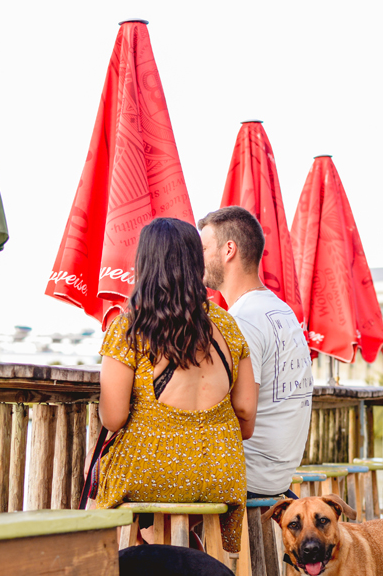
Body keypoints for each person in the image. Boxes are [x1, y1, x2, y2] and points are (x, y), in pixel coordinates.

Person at [95, 217, 258, 553]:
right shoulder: (227, 325)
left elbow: (113, 418)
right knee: (172, 518)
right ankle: (181, 557)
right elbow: (245, 410)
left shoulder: (130, 328)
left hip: (150, 468)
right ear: (196, 264)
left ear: (144, 263)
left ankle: (147, 560)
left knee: (97, 494)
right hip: (220, 469)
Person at [199, 206, 314, 500]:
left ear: (228, 250)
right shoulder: (281, 310)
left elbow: (241, 411)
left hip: (249, 475)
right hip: (279, 475)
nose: (196, 258)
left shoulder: (242, 319)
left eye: (203, 248)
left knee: (136, 481)